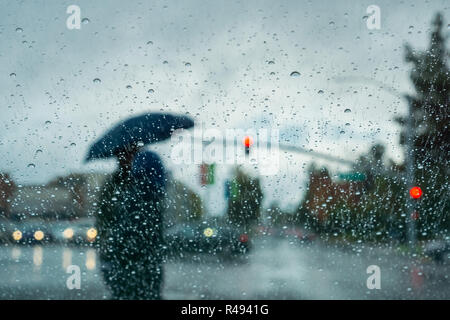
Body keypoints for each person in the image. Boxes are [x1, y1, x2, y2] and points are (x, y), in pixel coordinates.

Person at [96, 144, 166, 299]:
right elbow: (105, 218)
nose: (129, 158)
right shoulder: (116, 184)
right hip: (123, 256)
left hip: (138, 258)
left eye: (133, 154)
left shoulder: (147, 188)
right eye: (125, 154)